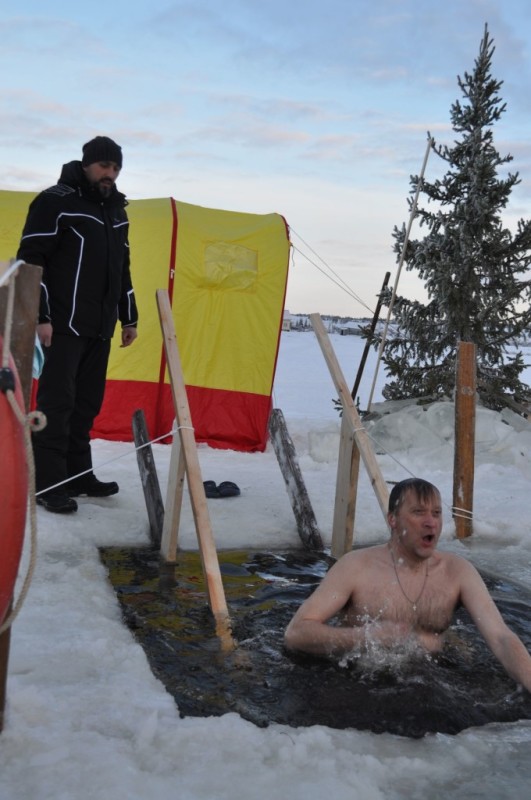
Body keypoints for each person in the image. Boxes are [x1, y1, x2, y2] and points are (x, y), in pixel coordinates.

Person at [284, 477, 531, 693]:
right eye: (418, 512)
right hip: (357, 683)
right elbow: (296, 633)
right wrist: (364, 637)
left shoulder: (458, 572)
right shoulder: (356, 567)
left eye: (436, 513)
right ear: (393, 520)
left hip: (433, 681)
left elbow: (501, 637)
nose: (430, 522)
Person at [17, 136, 138, 514]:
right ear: (87, 164)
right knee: (57, 402)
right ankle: (48, 483)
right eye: (104, 166)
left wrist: (128, 317)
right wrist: (41, 317)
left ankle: (77, 474)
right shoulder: (56, 200)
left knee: (86, 404)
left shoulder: (117, 210)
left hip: (98, 326)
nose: (110, 173)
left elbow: (123, 267)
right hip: (61, 324)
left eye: (116, 168)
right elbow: (31, 261)